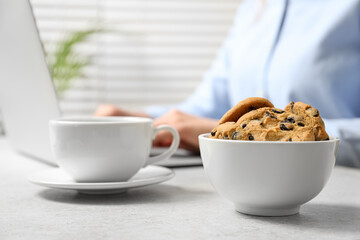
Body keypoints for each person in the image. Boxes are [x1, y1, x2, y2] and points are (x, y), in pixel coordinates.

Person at [95, 0, 360, 168]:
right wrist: (141, 121)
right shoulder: (252, 9)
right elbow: (213, 105)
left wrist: (234, 135)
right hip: (244, 181)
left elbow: (216, 123)